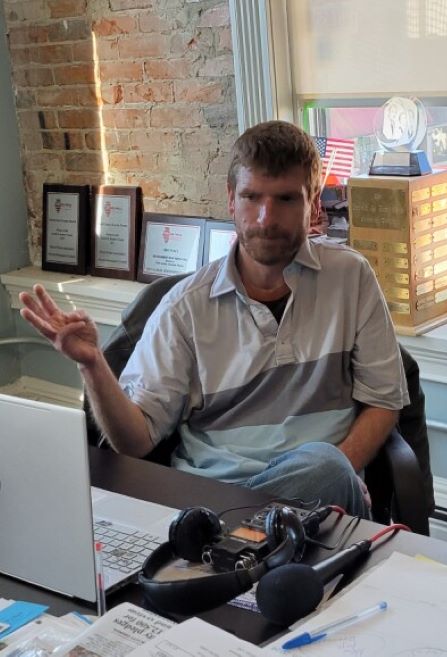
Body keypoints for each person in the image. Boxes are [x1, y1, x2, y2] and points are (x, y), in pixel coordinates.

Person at [19, 121, 408, 517]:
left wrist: (342, 468)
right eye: (252, 197)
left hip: (313, 502)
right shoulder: (185, 306)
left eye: (286, 199)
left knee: (323, 470)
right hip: (212, 494)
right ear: (231, 199)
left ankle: (227, 539)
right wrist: (92, 364)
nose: (265, 219)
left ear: (315, 204)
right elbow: (134, 442)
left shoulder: (351, 278)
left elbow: (384, 401)